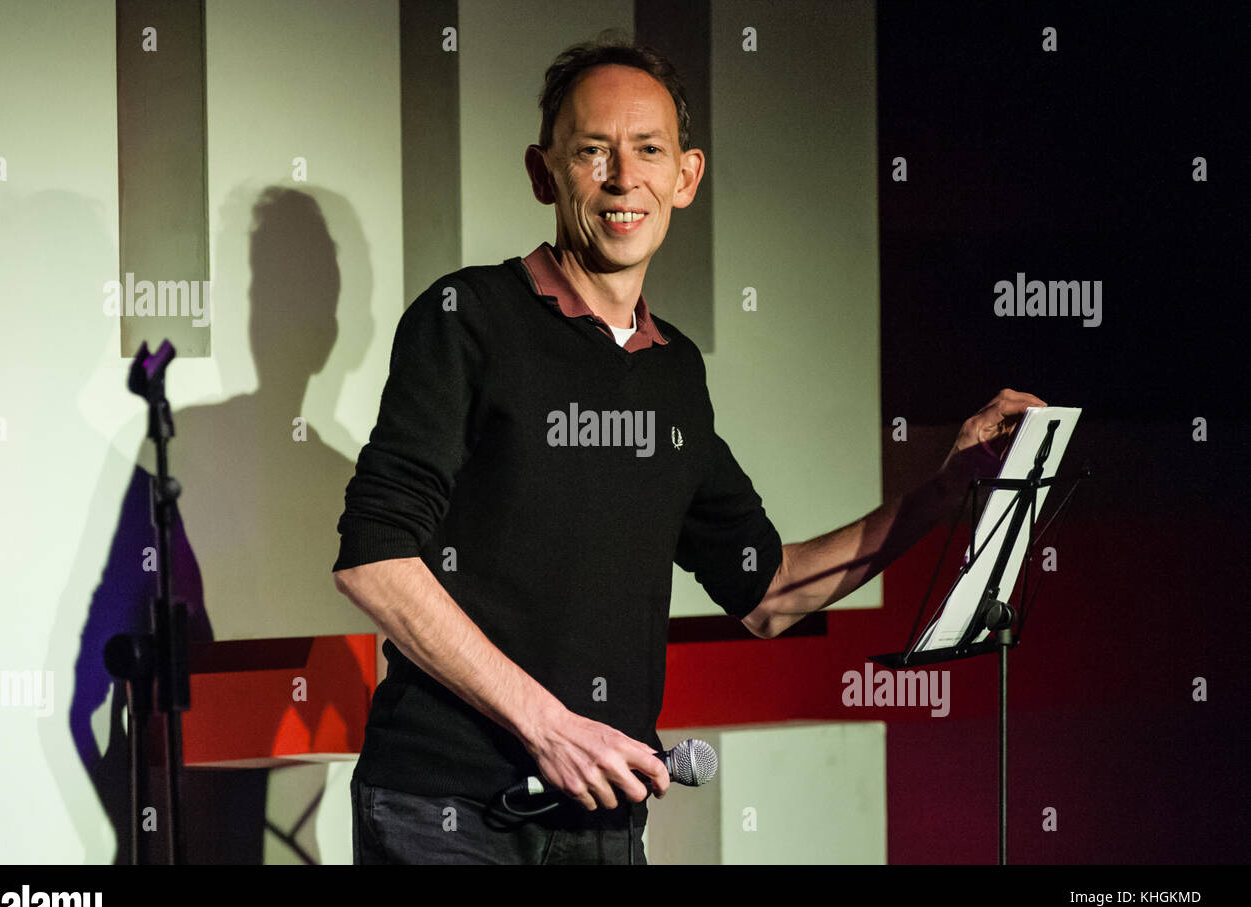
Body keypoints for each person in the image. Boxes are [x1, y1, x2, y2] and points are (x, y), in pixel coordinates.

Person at [333, 37, 1045, 865]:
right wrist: (550, 727)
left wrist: (944, 488)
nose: (622, 178)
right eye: (592, 150)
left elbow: (769, 592)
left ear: (686, 176)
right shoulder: (467, 318)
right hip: (444, 810)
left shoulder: (672, 372)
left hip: (601, 817)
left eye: (648, 151)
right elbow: (375, 557)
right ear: (543, 172)